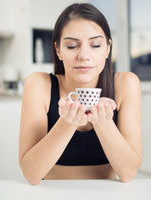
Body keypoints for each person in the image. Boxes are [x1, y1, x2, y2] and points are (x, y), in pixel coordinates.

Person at [19, 3, 142, 185]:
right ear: (58, 50)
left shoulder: (126, 84)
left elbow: (128, 173)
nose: (84, 55)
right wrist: (67, 123)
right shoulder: (39, 85)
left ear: (108, 49)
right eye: (71, 46)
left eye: (95, 44)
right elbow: (31, 174)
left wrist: (103, 123)